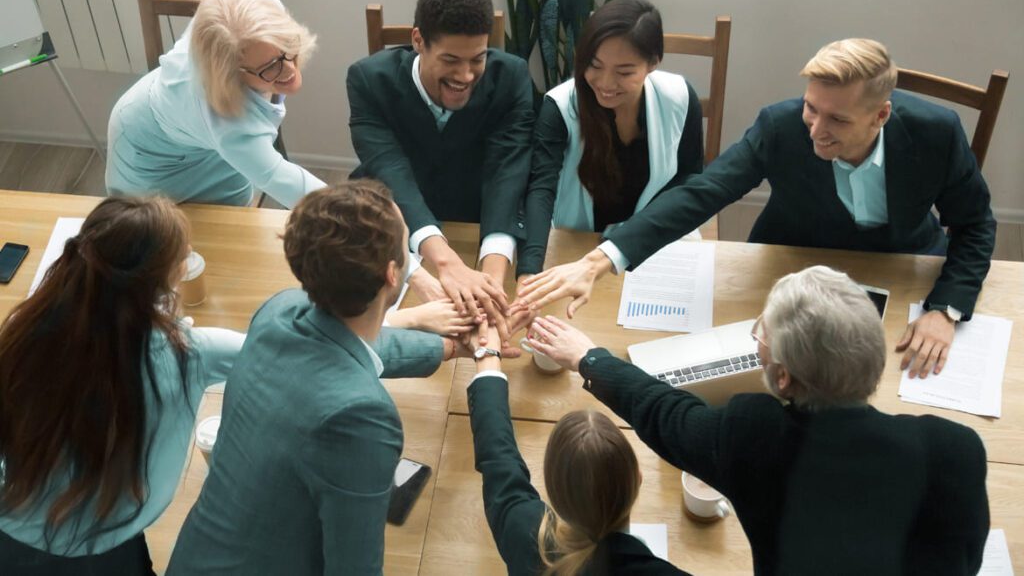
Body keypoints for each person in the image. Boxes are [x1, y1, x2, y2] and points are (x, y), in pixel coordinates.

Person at [517, 39, 996, 378]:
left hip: (898, 271)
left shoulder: (937, 132)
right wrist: (601, 260)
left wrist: (945, 309)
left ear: (881, 115)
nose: (815, 130)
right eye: (812, 108)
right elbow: (702, 193)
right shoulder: (781, 125)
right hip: (788, 268)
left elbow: (975, 225)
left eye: (837, 119)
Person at [526, 265, 989, 576]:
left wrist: (589, 358)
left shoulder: (758, 437)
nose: (757, 340)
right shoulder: (959, 449)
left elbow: (663, 413)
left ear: (784, 378)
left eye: (761, 334)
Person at [166, 180, 491, 575]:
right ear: (393, 274)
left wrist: (451, 347)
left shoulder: (281, 310)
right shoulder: (363, 416)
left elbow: (343, 346)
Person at [0, 196, 244, 575]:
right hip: (96, 544)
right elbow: (288, 349)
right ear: (164, 277)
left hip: (13, 520)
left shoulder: (30, 328)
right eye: (184, 254)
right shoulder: (189, 354)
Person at [348, 0, 536, 345]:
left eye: (477, 59)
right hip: (396, 222)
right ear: (418, 40)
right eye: (450, 60)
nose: (465, 76)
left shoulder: (512, 76)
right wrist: (445, 262)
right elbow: (391, 172)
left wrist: (492, 283)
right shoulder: (367, 80)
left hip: (479, 218)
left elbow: (506, 173)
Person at [468, 335, 691, 575]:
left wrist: (487, 353)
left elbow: (498, 458)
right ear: (637, 479)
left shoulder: (525, 532)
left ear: (553, 492)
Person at [517, 0, 703, 280]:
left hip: (653, 242)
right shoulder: (560, 106)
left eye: (624, 72)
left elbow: (688, 178)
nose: (605, 83)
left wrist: (632, 239)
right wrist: (529, 271)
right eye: (594, 65)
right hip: (577, 246)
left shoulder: (678, 97)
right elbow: (541, 188)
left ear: (653, 63)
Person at [106, 0, 326, 208]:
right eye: (269, 67)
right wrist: (358, 216)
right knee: (165, 228)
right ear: (231, 74)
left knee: (237, 210)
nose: (289, 69)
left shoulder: (267, 11)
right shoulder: (230, 126)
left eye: (287, 47)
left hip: (195, 133)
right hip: (150, 151)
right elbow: (281, 179)